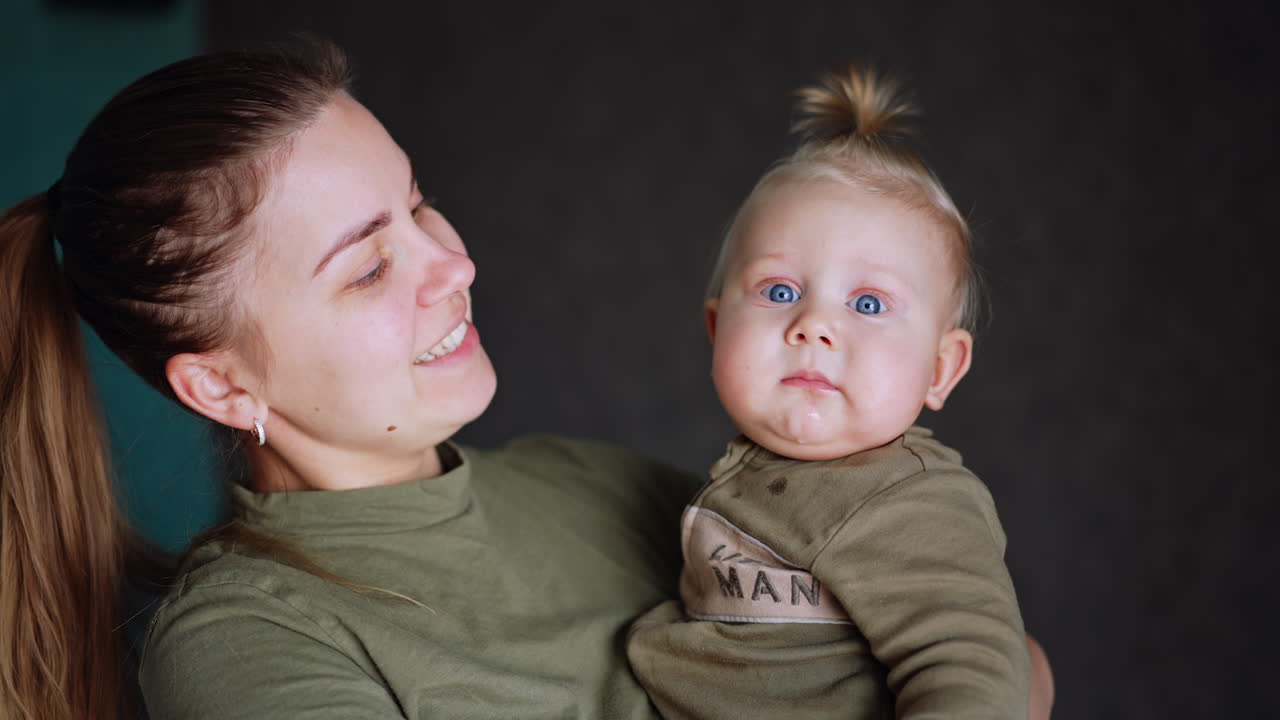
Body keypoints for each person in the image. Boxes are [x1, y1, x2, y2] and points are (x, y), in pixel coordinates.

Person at [0, 44, 1053, 719]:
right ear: (223, 388)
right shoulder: (248, 643)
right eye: (368, 267)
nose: (452, 265)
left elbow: (989, 649)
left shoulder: (598, 486)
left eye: (419, 205)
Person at [627, 67, 1032, 718]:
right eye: (779, 291)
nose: (813, 325)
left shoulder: (910, 501)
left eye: (868, 303)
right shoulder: (751, 481)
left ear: (940, 369)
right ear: (717, 329)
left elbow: (971, 666)